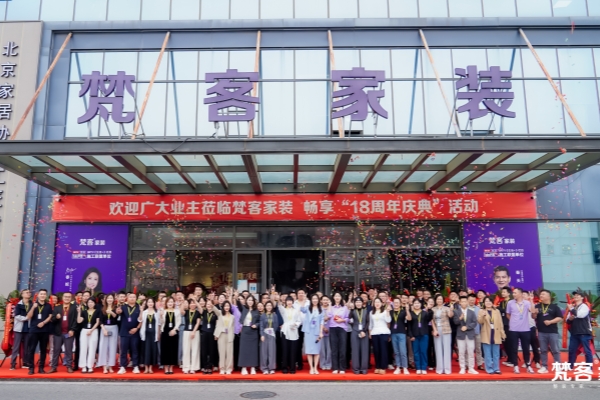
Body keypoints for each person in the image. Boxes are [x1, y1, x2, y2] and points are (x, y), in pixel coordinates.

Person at [506, 288, 536, 374]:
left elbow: (533, 312)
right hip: (513, 329)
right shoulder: (510, 303)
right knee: (514, 348)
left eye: (515, 293)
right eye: (513, 293)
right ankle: (515, 366)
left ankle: (528, 365)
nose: (513, 294)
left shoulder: (526, 303)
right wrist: (513, 321)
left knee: (526, 348)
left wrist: (531, 300)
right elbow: (508, 314)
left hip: (525, 329)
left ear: (520, 294)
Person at [535, 289, 563, 374]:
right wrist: (534, 313)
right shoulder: (538, 306)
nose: (541, 296)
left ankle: (558, 366)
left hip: (552, 332)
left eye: (543, 294)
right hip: (541, 332)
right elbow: (533, 317)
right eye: (540, 294)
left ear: (548, 296)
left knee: (555, 350)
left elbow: (560, 317)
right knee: (543, 350)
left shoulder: (555, 307)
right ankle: (544, 366)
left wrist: (550, 322)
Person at [26, 288, 53, 375]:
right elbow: (28, 316)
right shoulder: (32, 304)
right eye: (41, 294)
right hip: (34, 330)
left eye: (44, 294)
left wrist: (43, 322)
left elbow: (50, 316)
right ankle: (31, 368)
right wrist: (33, 308)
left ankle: (41, 368)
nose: (43, 295)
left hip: (44, 330)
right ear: (38, 295)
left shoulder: (48, 306)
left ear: (46, 295)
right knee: (31, 349)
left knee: (43, 350)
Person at [49, 291, 77, 373]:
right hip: (58, 333)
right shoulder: (57, 308)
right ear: (62, 298)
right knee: (56, 350)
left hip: (69, 333)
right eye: (65, 297)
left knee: (68, 350)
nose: (67, 298)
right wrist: (56, 318)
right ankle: (54, 367)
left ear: (71, 298)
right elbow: (52, 320)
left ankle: (69, 366)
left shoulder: (74, 307)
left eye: (69, 297)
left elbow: (76, 320)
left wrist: (72, 329)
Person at [567, 290, 594, 369]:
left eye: (578, 295)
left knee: (587, 351)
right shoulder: (573, 307)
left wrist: (571, 309)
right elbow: (567, 320)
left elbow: (580, 315)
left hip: (584, 332)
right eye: (575, 295)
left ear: (582, 297)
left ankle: (589, 367)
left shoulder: (584, 306)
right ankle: (570, 366)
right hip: (574, 333)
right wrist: (570, 319)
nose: (575, 296)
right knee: (572, 350)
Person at [478, 296, 505, 374]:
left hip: (496, 333)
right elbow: (480, 322)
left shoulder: (497, 311)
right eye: (486, 301)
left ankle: (496, 368)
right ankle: (489, 368)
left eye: (489, 301)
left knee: (496, 353)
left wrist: (502, 333)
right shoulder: (481, 311)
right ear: (484, 303)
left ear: (492, 302)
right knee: (487, 353)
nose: (488, 303)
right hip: (486, 333)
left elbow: (500, 323)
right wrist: (483, 316)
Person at [117, 293, 143, 374]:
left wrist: (137, 328)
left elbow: (141, 320)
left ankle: (135, 366)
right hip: (124, 332)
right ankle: (122, 366)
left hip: (135, 332)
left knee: (135, 350)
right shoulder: (123, 307)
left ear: (136, 299)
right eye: (130, 297)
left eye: (134, 297)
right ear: (127, 298)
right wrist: (118, 311)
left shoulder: (139, 307)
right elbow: (118, 312)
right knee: (123, 350)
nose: (132, 298)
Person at [453, 295, 478, 375]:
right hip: (460, 334)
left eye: (465, 301)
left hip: (470, 334)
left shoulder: (471, 312)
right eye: (462, 301)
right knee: (461, 352)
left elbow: (474, 323)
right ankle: (462, 368)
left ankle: (471, 368)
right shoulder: (456, 312)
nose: (464, 303)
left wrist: (467, 327)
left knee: (471, 351)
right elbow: (455, 322)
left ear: (467, 302)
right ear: (460, 303)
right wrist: (460, 318)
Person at [278, 296, 303, 374]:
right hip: (285, 330)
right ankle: (284, 367)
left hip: (293, 330)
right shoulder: (283, 310)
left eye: (290, 301)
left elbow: (299, 321)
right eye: (288, 301)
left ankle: (292, 368)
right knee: (285, 350)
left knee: (293, 350)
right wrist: (275, 295)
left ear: (292, 302)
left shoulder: (296, 311)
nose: (289, 302)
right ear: (285, 302)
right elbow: (279, 304)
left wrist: (295, 324)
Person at [301, 294, 324, 375]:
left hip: (317, 331)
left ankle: (315, 368)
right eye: (313, 299)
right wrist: (304, 300)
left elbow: (322, 321)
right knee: (309, 351)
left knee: (316, 351)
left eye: (316, 299)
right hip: (308, 331)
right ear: (311, 300)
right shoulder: (308, 308)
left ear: (318, 300)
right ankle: (311, 368)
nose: (315, 300)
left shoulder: (321, 309)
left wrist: (321, 332)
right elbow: (302, 309)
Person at [408, 298, 432, 375]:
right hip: (414, 336)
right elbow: (409, 326)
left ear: (421, 304)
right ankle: (418, 367)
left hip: (424, 334)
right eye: (415, 303)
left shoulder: (425, 313)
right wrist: (411, 335)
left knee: (423, 352)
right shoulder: (411, 313)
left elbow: (430, 318)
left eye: (418, 303)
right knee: (416, 352)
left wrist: (429, 309)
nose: (417, 305)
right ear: (413, 304)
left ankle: (423, 367)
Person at [76, 298, 101, 373]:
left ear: (94, 303)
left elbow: (97, 322)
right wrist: (79, 312)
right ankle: (83, 366)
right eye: (89, 302)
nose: (90, 303)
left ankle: (90, 366)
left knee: (92, 349)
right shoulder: (84, 312)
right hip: (84, 331)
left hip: (93, 331)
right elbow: (79, 321)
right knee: (83, 349)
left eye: (92, 302)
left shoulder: (97, 311)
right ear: (87, 303)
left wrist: (91, 330)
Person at [431, 294, 454, 374]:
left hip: (446, 330)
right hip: (437, 330)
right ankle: (439, 369)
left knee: (447, 349)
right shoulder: (433, 309)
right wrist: (434, 330)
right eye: (438, 299)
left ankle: (447, 369)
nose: (439, 301)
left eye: (441, 299)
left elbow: (450, 316)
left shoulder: (446, 308)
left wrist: (451, 310)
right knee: (438, 349)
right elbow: (432, 320)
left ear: (443, 300)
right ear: (436, 300)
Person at [327, 292, 349, 374]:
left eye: (338, 296)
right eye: (335, 296)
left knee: (342, 349)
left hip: (342, 328)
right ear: (333, 297)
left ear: (341, 298)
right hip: (333, 328)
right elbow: (329, 316)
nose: (337, 297)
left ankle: (342, 368)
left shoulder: (345, 308)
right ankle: (335, 367)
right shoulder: (331, 307)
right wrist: (329, 306)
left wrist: (342, 320)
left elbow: (348, 318)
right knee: (334, 349)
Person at [239, 295, 261, 375]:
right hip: (245, 330)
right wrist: (233, 295)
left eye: (252, 300)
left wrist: (256, 325)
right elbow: (237, 303)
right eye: (249, 300)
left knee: (253, 350)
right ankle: (244, 367)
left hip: (253, 331)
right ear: (246, 301)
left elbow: (259, 321)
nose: (250, 301)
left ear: (254, 301)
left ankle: (253, 367)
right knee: (244, 350)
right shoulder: (243, 308)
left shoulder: (256, 310)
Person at [98, 293, 119, 374]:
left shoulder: (116, 308)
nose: (110, 300)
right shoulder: (102, 308)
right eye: (108, 298)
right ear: (106, 300)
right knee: (103, 347)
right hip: (105, 327)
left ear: (113, 299)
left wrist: (111, 312)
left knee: (112, 347)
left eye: (111, 298)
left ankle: (110, 366)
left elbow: (117, 318)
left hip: (114, 327)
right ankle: (104, 367)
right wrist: (103, 329)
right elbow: (100, 320)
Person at [11, 289, 32, 370]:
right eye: (26, 292)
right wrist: (27, 318)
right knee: (16, 347)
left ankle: (25, 362)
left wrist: (29, 318)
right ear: (22, 294)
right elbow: (17, 316)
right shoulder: (18, 305)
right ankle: (13, 363)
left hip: (28, 328)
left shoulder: (32, 304)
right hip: (19, 329)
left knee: (27, 347)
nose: (28, 294)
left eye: (29, 292)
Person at [369, 297, 391, 375]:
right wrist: (370, 333)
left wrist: (388, 312)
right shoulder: (371, 312)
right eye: (376, 302)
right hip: (374, 333)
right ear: (373, 304)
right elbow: (371, 324)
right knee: (376, 350)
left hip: (383, 332)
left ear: (381, 303)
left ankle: (383, 367)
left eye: (378, 302)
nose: (377, 304)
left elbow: (388, 320)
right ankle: (377, 366)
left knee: (383, 350)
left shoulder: (384, 311)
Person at [390, 297, 412, 375]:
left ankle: (405, 367)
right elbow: (388, 322)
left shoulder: (403, 311)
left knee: (403, 351)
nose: (396, 304)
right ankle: (398, 367)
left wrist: (407, 310)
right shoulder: (391, 312)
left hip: (402, 333)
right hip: (393, 333)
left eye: (397, 303)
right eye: (394, 303)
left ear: (400, 304)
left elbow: (409, 319)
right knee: (396, 351)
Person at [348, 297, 370, 375]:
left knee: (364, 350)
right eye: (356, 302)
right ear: (354, 303)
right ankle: (356, 369)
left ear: (362, 303)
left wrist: (364, 331)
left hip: (364, 332)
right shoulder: (353, 311)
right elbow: (350, 321)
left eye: (359, 302)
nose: (358, 303)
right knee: (355, 350)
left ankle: (363, 368)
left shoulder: (366, 311)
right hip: (355, 331)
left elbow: (368, 322)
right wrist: (351, 310)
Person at [214, 300, 235, 374]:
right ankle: (222, 368)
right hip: (221, 334)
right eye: (225, 306)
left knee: (229, 353)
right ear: (223, 307)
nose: (227, 307)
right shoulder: (220, 313)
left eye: (228, 306)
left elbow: (233, 327)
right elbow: (215, 309)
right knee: (222, 352)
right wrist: (212, 303)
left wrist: (232, 336)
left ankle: (229, 368)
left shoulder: (232, 317)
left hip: (229, 335)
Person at [160, 297, 181, 375]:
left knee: (173, 349)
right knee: (165, 350)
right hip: (165, 332)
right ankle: (166, 367)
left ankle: (171, 367)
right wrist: (161, 316)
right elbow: (161, 322)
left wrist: (174, 330)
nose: (170, 303)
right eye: (169, 302)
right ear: (166, 303)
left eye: (172, 302)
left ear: (174, 303)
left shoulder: (177, 311)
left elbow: (179, 322)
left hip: (174, 332)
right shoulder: (163, 311)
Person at [522, 291, 541, 370]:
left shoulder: (532, 304)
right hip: (522, 328)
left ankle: (537, 361)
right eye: (522, 294)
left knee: (534, 346)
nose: (523, 296)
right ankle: (527, 361)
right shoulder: (519, 305)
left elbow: (533, 311)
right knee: (525, 346)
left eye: (524, 295)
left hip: (531, 327)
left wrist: (531, 301)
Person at [140, 297, 160, 374]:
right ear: (147, 303)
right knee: (145, 350)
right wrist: (141, 311)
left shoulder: (157, 312)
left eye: (152, 302)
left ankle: (151, 368)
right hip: (146, 334)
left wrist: (158, 334)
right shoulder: (144, 312)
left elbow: (159, 324)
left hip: (153, 334)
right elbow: (140, 320)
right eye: (149, 302)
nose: (150, 303)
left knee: (152, 350)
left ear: (154, 303)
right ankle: (146, 367)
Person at [181, 299, 201, 374]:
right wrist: (183, 302)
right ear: (189, 305)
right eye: (191, 303)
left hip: (195, 332)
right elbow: (181, 310)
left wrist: (193, 331)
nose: (192, 305)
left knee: (195, 350)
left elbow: (198, 323)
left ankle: (194, 367)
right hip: (186, 332)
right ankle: (186, 367)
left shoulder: (197, 312)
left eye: (194, 303)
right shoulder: (186, 312)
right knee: (186, 350)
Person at [260, 301, 279, 374]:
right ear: (265, 307)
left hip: (272, 334)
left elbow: (276, 325)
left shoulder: (274, 315)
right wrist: (262, 334)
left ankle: (271, 368)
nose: (269, 307)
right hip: (265, 334)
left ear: (272, 307)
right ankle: (264, 368)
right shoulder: (263, 315)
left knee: (272, 351)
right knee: (264, 352)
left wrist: (272, 330)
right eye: (267, 305)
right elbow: (261, 326)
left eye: (270, 305)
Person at [293, 289, 310, 371]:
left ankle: (312, 363)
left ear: (305, 294)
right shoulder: (294, 303)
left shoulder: (309, 302)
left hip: (308, 326)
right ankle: (299, 363)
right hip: (298, 326)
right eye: (299, 293)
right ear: (297, 294)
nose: (301, 294)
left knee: (309, 344)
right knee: (298, 345)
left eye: (302, 293)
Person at [200, 300, 218, 374]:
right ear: (206, 305)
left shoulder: (215, 313)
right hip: (204, 333)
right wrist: (194, 299)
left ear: (213, 305)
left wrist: (216, 334)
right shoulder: (204, 312)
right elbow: (199, 307)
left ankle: (210, 367)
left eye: (210, 304)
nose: (209, 305)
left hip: (212, 333)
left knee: (211, 351)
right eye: (207, 304)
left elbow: (217, 325)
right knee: (204, 350)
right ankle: (205, 367)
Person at [467, 293, 484, 370]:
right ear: (467, 300)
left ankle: (479, 363)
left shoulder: (478, 309)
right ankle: (468, 364)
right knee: (468, 349)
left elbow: (481, 321)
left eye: (473, 300)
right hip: (467, 332)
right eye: (470, 300)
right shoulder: (465, 309)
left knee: (478, 348)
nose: (472, 301)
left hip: (477, 331)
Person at [498, 286, 512, 365]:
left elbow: (507, 311)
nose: (502, 293)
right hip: (502, 324)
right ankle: (509, 358)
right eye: (502, 292)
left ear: (508, 293)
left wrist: (500, 309)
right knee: (505, 342)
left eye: (504, 292)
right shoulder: (502, 302)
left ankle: (512, 359)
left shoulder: (511, 302)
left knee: (510, 342)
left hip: (509, 324)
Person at [319, 295, 332, 371]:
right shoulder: (319, 309)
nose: (325, 301)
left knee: (329, 349)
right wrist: (323, 328)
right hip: (321, 331)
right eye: (324, 300)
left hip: (330, 331)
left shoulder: (331, 309)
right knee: (322, 350)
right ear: (321, 301)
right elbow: (317, 320)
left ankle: (329, 364)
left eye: (327, 300)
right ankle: (322, 364)